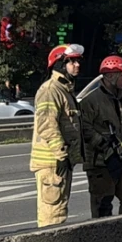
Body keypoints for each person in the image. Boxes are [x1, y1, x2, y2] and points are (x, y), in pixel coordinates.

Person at [29, 43, 85, 227]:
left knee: (59, 211)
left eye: (78, 62)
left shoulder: (64, 90)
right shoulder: (50, 90)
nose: (77, 65)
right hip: (52, 163)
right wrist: (61, 154)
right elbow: (47, 125)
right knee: (53, 216)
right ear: (60, 64)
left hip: (61, 162)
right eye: (72, 62)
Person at [80, 56, 122, 218]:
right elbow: (84, 129)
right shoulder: (91, 101)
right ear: (110, 76)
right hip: (101, 164)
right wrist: (104, 145)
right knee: (103, 208)